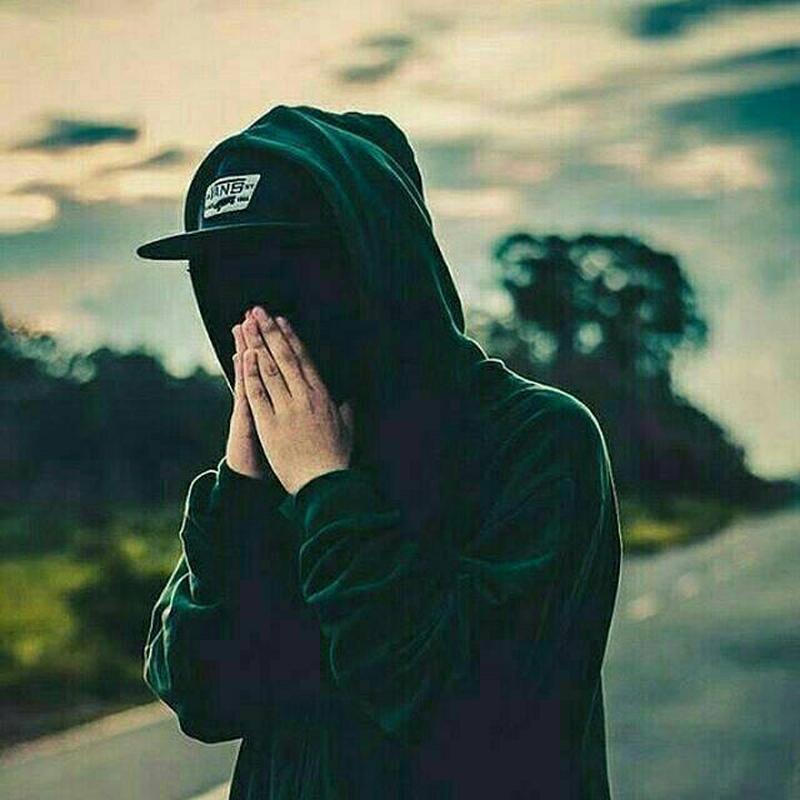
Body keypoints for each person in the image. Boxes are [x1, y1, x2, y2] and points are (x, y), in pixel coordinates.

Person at [136, 104, 623, 799]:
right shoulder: (275, 461)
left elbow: (465, 707)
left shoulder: (538, 439)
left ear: (380, 267)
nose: (258, 324)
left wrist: (327, 492)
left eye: (280, 276)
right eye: (230, 283)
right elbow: (207, 697)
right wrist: (241, 490)